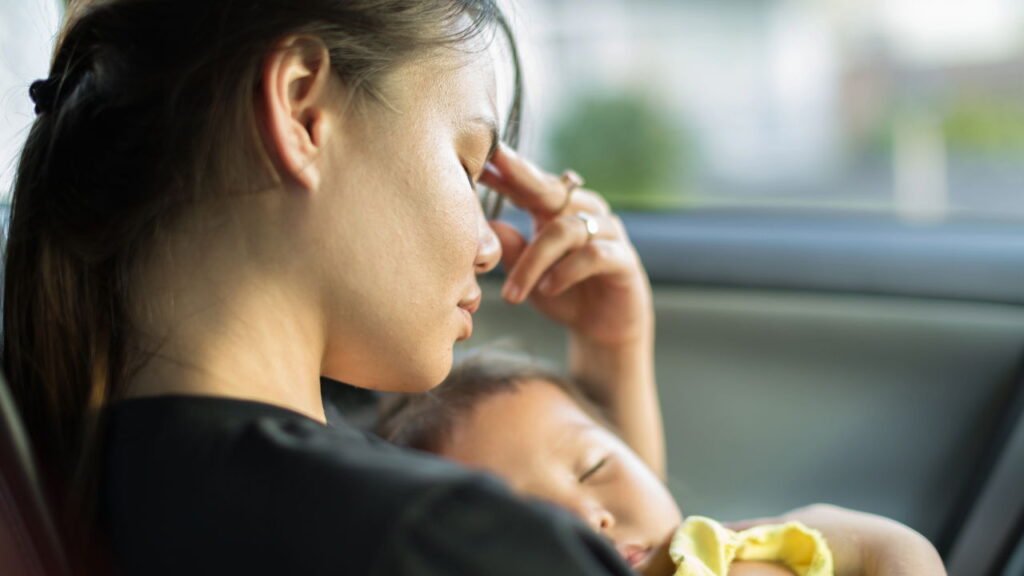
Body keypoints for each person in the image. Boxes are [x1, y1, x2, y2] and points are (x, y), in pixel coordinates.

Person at [2, 0, 944, 574]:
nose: (493, 245)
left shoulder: (124, 466)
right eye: (468, 160)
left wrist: (612, 364)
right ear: (301, 110)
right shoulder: (433, 539)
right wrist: (877, 549)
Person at [377, 351, 946, 576]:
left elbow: (902, 550)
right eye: (527, 517)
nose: (587, 517)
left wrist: (859, 539)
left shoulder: (733, 549)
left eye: (594, 468)